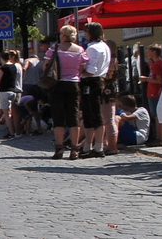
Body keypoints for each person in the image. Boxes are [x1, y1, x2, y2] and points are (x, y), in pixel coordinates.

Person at [43, 24, 87, 159]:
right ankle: (74, 149)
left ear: (62, 35)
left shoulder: (55, 49)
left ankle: (59, 148)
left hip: (57, 84)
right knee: (73, 117)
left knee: (58, 117)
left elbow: (45, 66)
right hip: (74, 84)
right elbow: (82, 67)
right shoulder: (80, 50)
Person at [79, 21, 112, 158]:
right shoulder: (104, 46)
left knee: (93, 114)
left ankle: (98, 147)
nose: (85, 33)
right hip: (99, 81)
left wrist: (80, 69)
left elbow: (91, 71)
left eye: (86, 31)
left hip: (91, 82)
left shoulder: (92, 48)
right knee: (90, 114)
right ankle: (88, 145)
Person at [0, 50, 22, 138]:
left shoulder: (14, 66)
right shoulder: (15, 66)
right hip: (14, 90)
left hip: (14, 89)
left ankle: (15, 132)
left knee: (13, 113)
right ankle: (13, 131)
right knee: (8, 112)